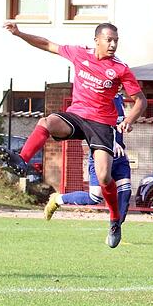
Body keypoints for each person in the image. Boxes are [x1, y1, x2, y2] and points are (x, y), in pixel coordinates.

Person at [0, 22, 147, 248]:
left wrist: (128, 120)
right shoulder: (79, 53)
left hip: (101, 125)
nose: (113, 44)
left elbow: (140, 101)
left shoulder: (120, 69)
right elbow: (47, 44)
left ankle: (115, 220)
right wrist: (18, 33)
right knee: (46, 122)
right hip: (77, 116)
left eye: (116, 40)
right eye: (109, 40)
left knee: (105, 177)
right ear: (97, 40)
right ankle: (22, 159)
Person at [44, 94, 132, 225]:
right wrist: (111, 142)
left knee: (125, 195)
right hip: (100, 154)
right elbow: (93, 128)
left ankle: (115, 229)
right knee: (95, 197)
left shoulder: (119, 98)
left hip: (119, 157)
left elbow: (115, 125)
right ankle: (58, 199)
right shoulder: (99, 98)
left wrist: (125, 125)